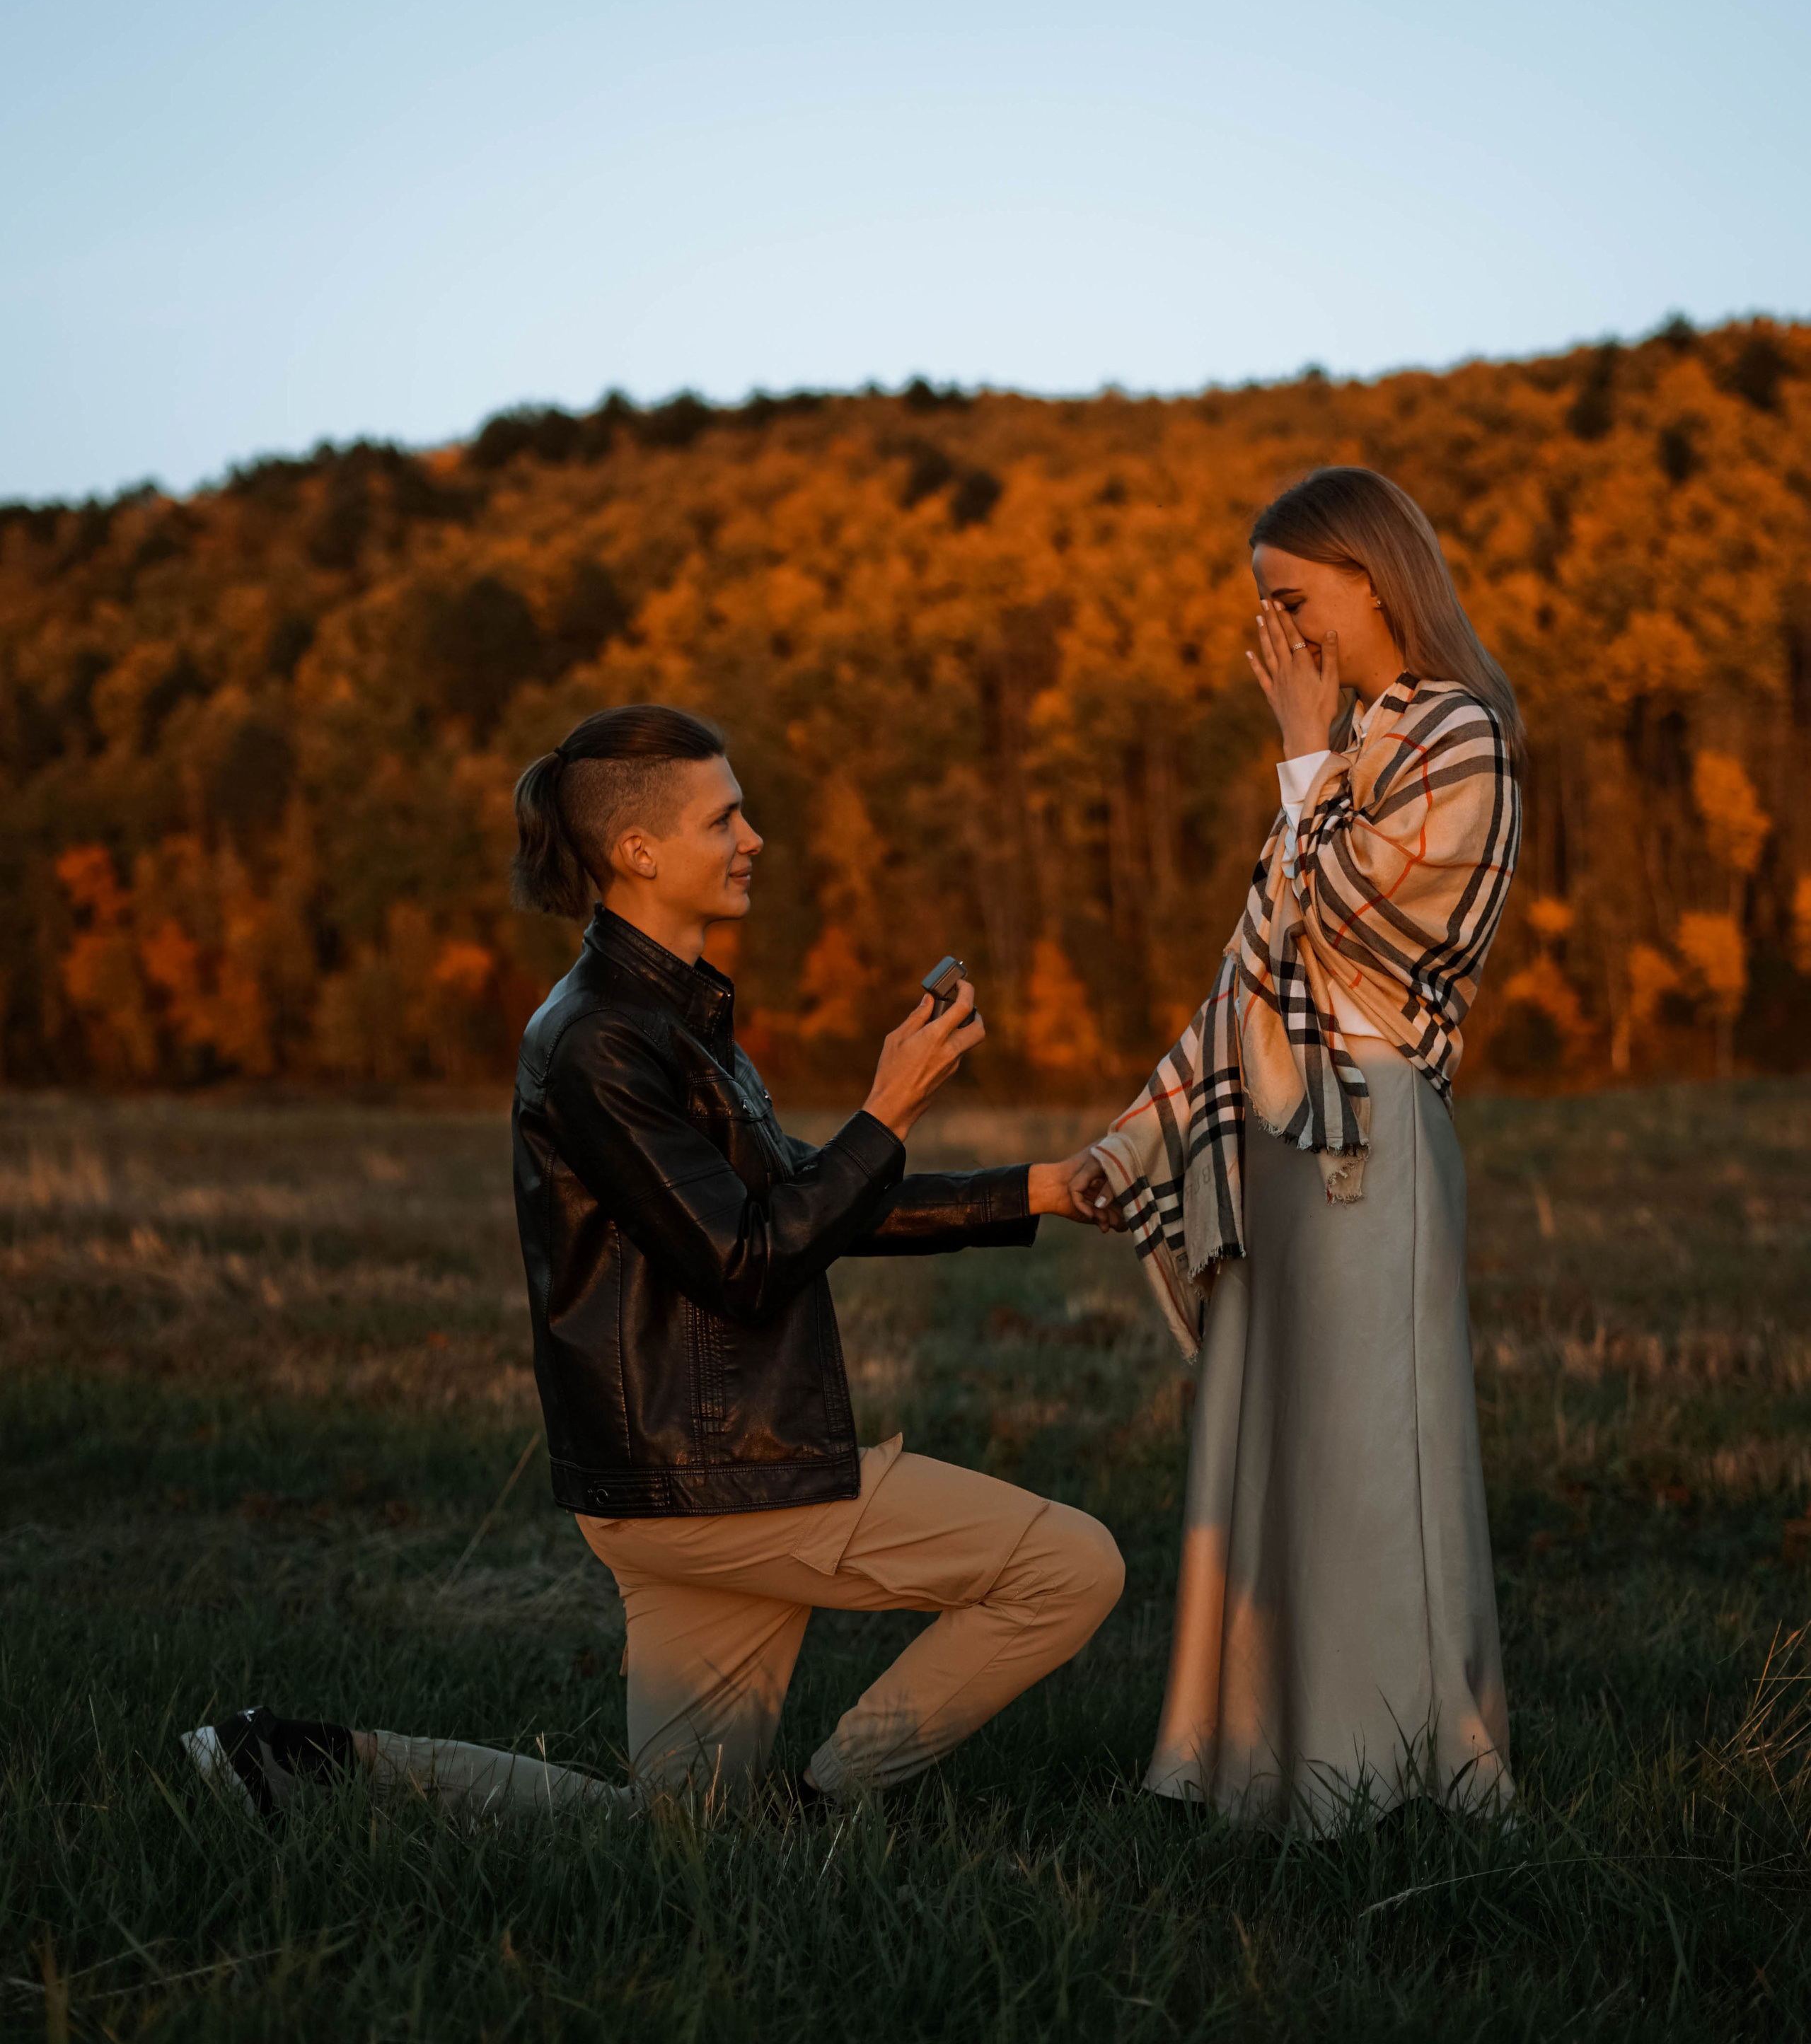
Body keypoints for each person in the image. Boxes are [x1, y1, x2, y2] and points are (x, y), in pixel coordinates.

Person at [186, 704, 1122, 1823]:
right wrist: (889, 1108)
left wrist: (1040, 1190)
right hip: (722, 1480)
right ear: (637, 852)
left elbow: (797, 1208)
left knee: (680, 1835)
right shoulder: (598, 1042)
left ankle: (296, 1761)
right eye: (724, 817)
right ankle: (829, 1806)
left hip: (679, 1480)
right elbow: (747, 1258)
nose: (753, 837)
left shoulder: (671, 1020)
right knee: (1071, 1566)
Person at [1070, 466, 1522, 1832]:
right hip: (1278, 1150)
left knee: (1370, 1459)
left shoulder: (1464, 739)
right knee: (1267, 1457)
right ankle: (1252, 1766)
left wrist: (1304, 753)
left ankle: (1378, 1776)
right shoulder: (1329, 759)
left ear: (1373, 581)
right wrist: (1133, 1142)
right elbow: (1248, 988)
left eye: (1293, 599)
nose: (1275, 631)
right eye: (1261, 605)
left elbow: (1361, 934)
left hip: (1367, 1145)